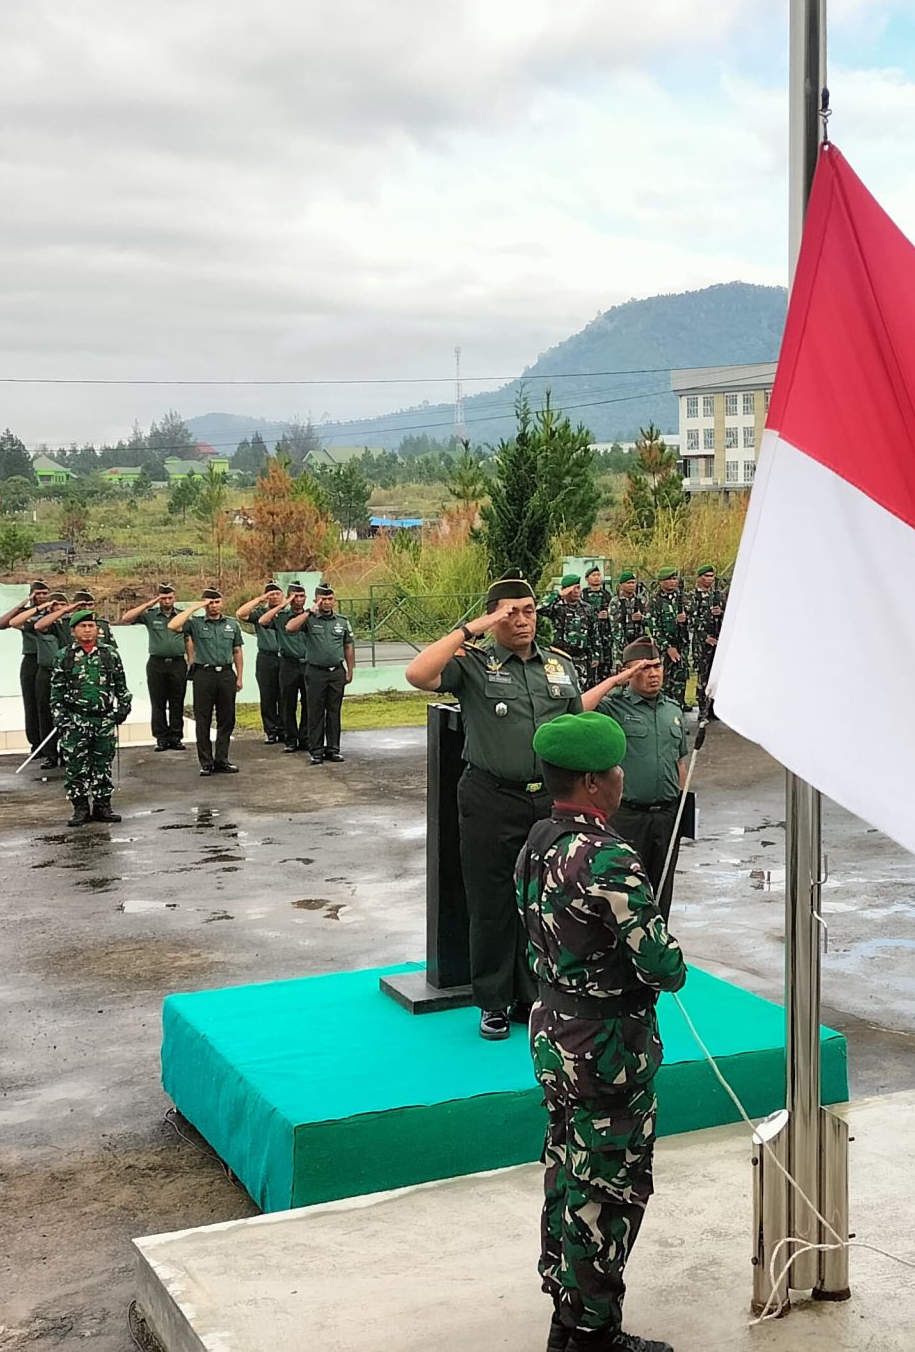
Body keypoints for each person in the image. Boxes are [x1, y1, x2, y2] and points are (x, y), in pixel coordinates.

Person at [518, 711, 685, 1352]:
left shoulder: (540, 840)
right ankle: (591, 1333)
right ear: (595, 781)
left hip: (556, 1033)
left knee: (566, 1169)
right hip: (608, 1046)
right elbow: (660, 964)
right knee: (609, 1188)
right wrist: (672, 962)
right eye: (616, 770)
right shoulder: (608, 855)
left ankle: (567, 1311)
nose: (622, 779)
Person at [404, 577, 586, 1041]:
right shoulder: (473, 664)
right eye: (510, 613)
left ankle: (533, 994)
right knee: (491, 901)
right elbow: (417, 675)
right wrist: (473, 628)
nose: (522, 620)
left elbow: (576, 725)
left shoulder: (560, 667)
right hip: (491, 796)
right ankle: (493, 1001)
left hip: (550, 798)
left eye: (528, 610)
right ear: (492, 617)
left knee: (546, 898)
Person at [582, 638, 690, 918]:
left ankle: (658, 953)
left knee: (662, 890)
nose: (653, 674)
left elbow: (679, 763)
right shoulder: (615, 707)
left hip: (666, 817)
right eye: (643, 668)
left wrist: (682, 811)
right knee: (624, 893)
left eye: (656, 666)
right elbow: (577, 709)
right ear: (628, 672)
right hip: (628, 817)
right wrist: (615, 681)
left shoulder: (673, 711)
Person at [50, 605, 131, 826]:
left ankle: (103, 806)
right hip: (76, 719)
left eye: (91, 626)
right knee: (76, 765)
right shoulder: (64, 656)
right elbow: (56, 691)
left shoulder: (109, 654)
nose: (88, 630)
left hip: (103, 719)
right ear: (73, 631)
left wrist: (123, 708)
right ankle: (80, 808)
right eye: (83, 626)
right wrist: (60, 717)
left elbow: (121, 685)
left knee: (102, 764)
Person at [171, 588, 246, 775]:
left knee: (227, 718)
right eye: (209, 602)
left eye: (216, 602)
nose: (213, 606)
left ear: (222, 602)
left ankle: (222, 759)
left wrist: (239, 676)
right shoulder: (195, 624)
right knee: (203, 719)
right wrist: (195, 607)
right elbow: (173, 626)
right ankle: (206, 762)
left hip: (226, 674)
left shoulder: (232, 624)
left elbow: (237, 651)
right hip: (204, 674)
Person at [119, 583, 190, 752]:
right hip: (156, 663)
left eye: (169, 597)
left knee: (177, 701)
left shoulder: (182, 616)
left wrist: (190, 662)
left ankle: (176, 737)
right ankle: (161, 738)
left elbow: (188, 639)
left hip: (178, 663)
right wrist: (150, 603)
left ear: (175, 598)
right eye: (163, 598)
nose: (166, 601)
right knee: (157, 702)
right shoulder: (151, 615)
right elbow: (126, 618)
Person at [289, 583, 355, 765]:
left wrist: (350, 670)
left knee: (334, 711)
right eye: (323, 599)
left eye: (330, 599)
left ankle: (333, 749)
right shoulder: (309, 619)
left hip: (336, 672)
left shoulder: (342, 621)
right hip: (315, 672)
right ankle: (316, 750)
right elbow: (290, 628)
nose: (326, 602)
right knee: (315, 712)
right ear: (316, 601)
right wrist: (309, 612)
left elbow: (348, 646)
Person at [0, 581, 62, 768]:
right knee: (33, 704)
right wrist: (25, 604)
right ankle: (37, 744)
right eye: (38, 593)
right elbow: (2, 624)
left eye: (45, 593)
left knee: (51, 706)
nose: (42, 596)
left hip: (52, 661)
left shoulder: (53, 613)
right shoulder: (27, 613)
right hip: (32, 660)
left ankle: (56, 748)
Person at [239, 582, 286, 744]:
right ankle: (271, 730)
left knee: (285, 696)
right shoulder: (261, 613)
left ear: (283, 595)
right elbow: (241, 614)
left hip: (286, 658)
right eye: (270, 594)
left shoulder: (289, 613)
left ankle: (285, 730)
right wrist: (260, 599)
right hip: (267, 658)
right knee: (268, 696)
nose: (274, 597)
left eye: (276, 593)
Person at [267, 583, 311, 752]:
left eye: (301, 596)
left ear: (306, 598)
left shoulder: (311, 616)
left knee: (308, 703)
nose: (298, 600)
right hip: (288, 663)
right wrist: (282, 604)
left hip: (307, 663)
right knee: (288, 703)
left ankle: (305, 737)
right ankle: (291, 739)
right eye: (294, 596)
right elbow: (263, 620)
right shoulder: (280, 616)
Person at [646, 569, 691, 706]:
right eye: (668, 579)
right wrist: (667, 647)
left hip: (681, 646)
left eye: (674, 579)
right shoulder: (654, 600)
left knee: (680, 681)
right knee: (663, 683)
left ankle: (679, 711)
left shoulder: (683, 598)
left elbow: (696, 621)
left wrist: (686, 620)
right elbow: (653, 627)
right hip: (664, 650)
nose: (672, 582)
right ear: (660, 582)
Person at [543, 574, 601, 667]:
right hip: (560, 656)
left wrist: (596, 655)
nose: (576, 591)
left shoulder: (587, 608)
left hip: (581, 658)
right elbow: (540, 609)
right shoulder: (557, 607)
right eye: (573, 589)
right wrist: (559, 594)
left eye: (578, 588)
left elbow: (594, 633)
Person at [691, 565, 725, 722]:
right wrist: (705, 637)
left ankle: (714, 708)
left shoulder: (718, 596)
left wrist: (721, 613)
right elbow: (690, 619)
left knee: (717, 674)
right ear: (699, 578)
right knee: (703, 676)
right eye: (707, 576)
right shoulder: (692, 597)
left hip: (717, 641)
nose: (710, 579)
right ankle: (703, 710)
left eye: (712, 576)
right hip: (702, 643)